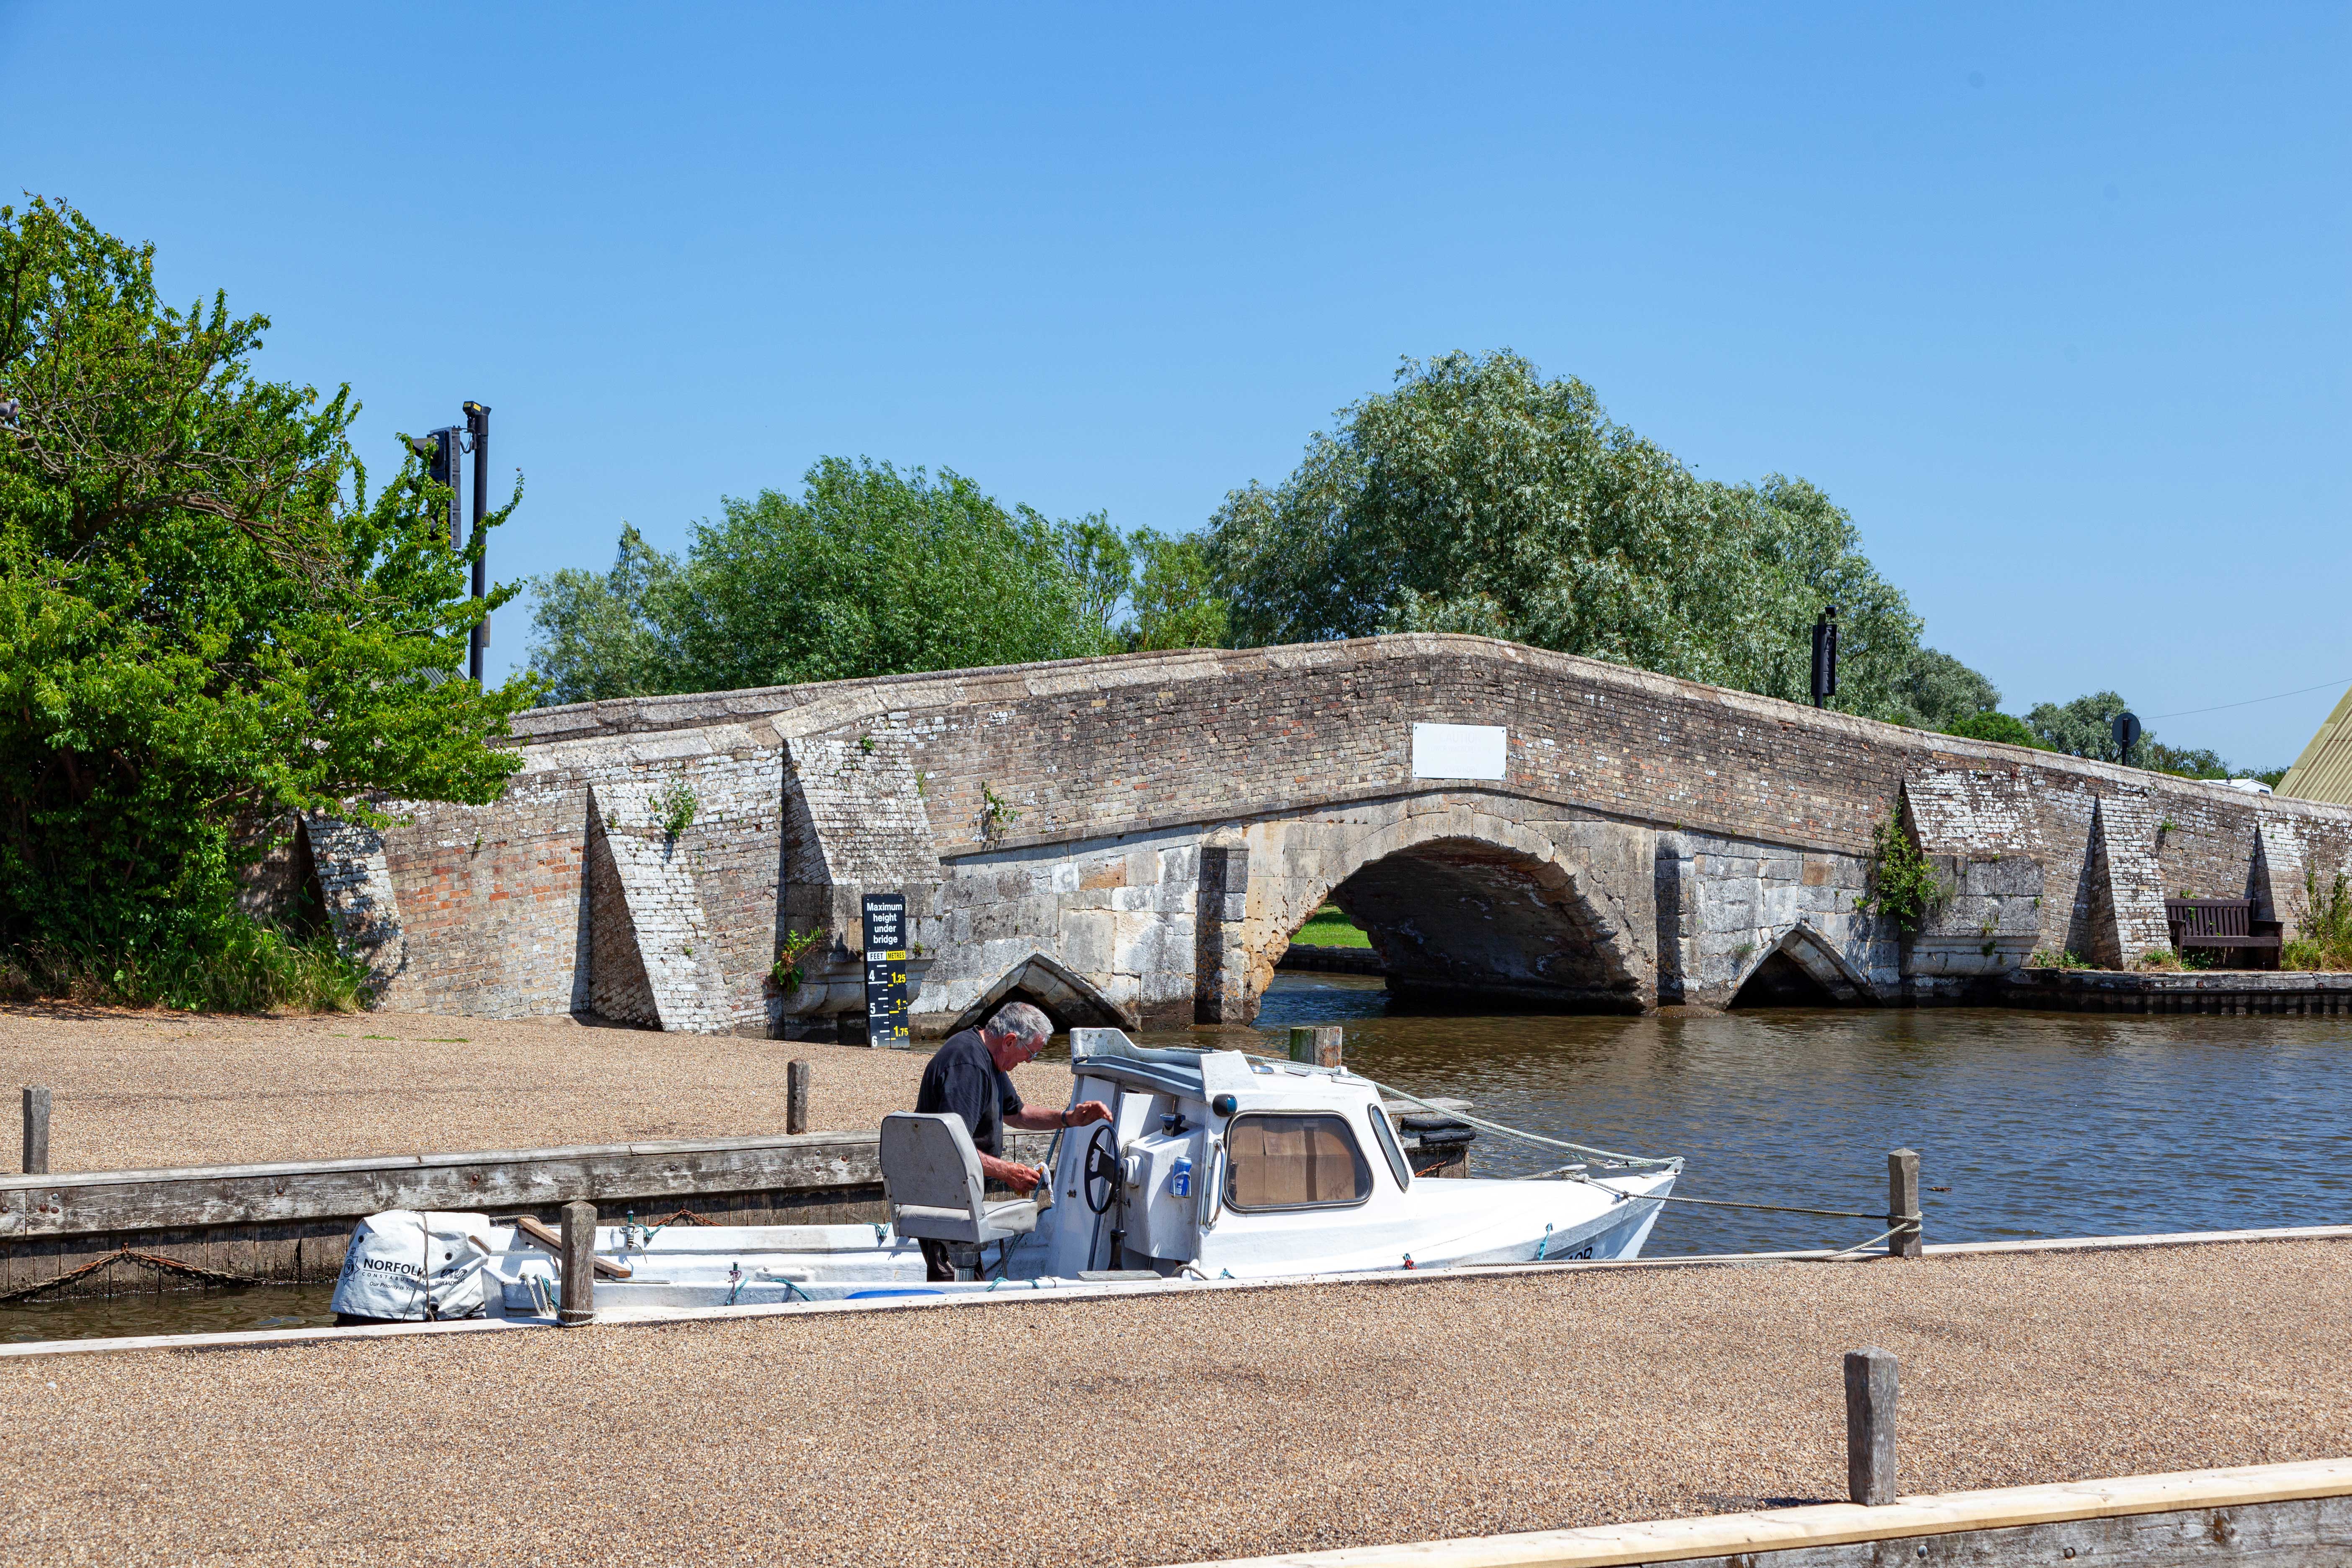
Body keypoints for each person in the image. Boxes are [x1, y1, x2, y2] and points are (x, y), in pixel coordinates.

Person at [911, 1000, 1109, 1281]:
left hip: (958, 1195)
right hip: (943, 1198)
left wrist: (1068, 1119)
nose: (1029, 1061)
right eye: (1031, 1053)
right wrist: (1007, 1172)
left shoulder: (988, 1058)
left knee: (968, 1282)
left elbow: (1019, 1114)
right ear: (1010, 1041)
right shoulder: (969, 1065)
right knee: (956, 1288)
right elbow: (949, 1146)